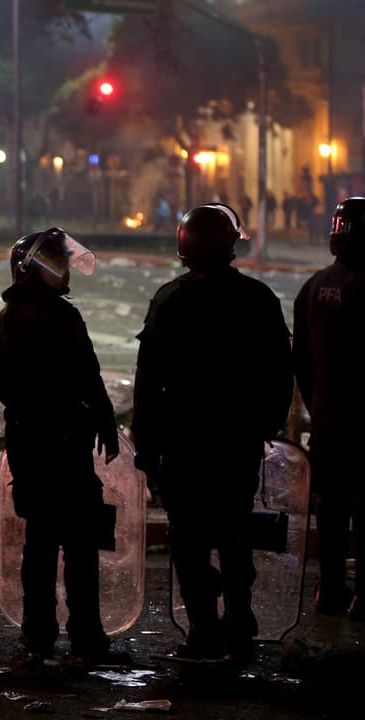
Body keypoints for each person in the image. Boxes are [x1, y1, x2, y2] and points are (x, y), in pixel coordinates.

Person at [133, 203, 292, 662]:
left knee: (190, 538)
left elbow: (149, 381)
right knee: (234, 529)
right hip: (237, 440)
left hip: (182, 444)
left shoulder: (169, 299)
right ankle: (240, 620)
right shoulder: (259, 299)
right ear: (230, 246)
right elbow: (281, 374)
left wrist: (147, 446)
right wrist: (265, 424)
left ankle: (204, 630)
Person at [0, 228, 120, 664]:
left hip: (40, 442)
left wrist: (100, 419)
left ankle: (43, 634)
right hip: (52, 443)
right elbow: (14, 384)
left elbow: (87, 373)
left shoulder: (17, 315)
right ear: (30, 269)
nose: (61, 271)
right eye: (51, 263)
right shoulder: (34, 316)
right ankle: (79, 635)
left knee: (47, 540)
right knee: (66, 542)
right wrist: (86, 419)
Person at [293, 197, 365, 620]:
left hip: (326, 420)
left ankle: (330, 589)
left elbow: (300, 360)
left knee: (332, 507)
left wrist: (320, 400)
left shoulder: (314, 287)